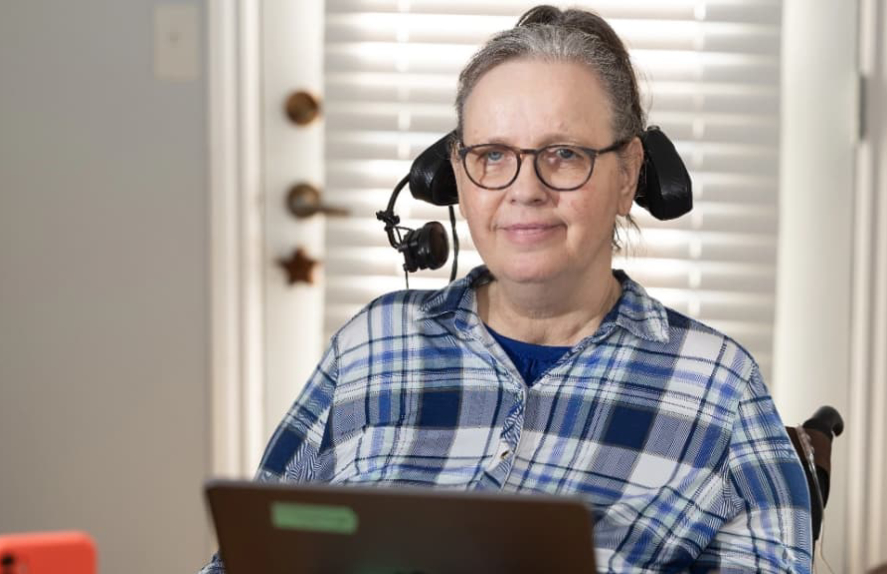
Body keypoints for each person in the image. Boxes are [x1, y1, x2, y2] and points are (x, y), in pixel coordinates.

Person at [200, 5, 811, 573]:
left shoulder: (716, 384)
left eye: (564, 154)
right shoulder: (372, 344)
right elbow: (245, 559)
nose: (524, 189)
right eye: (492, 156)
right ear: (455, 176)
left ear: (628, 174)